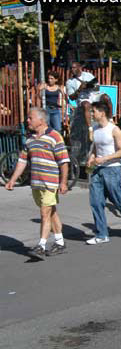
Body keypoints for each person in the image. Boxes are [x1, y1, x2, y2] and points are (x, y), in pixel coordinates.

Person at [4, 107, 70, 259]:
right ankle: (60, 242)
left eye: (30, 118)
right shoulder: (30, 139)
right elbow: (22, 161)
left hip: (50, 183)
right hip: (36, 183)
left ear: (41, 120)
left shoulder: (55, 136)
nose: (27, 120)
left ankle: (41, 245)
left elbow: (64, 161)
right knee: (51, 211)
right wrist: (12, 180)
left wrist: (63, 182)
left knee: (45, 213)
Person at [85, 101, 121, 244]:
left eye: (94, 112)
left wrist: (104, 158)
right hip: (98, 170)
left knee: (118, 200)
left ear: (102, 113)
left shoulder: (114, 129)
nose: (92, 114)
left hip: (112, 169)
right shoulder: (95, 129)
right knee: (96, 202)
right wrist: (92, 157)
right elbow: (96, 148)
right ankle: (102, 234)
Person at [66, 62, 99, 139]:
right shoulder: (70, 82)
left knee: (106, 98)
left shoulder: (88, 75)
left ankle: (110, 120)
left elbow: (97, 87)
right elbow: (72, 97)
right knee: (86, 104)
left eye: (74, 68)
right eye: (71, 68)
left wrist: (89, 86)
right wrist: (80, 89)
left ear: (79, 68)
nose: (72, 69)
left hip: (93, 95)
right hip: (82, 98)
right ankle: (90, 129)